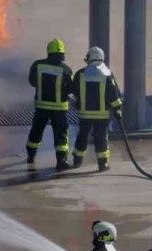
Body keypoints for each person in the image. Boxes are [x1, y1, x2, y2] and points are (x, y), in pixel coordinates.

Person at [26, 38, 74, 171]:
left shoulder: (37, 65)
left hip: (41, 107)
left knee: (36, 132)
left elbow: (32, 81)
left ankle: (31, 155)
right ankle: (61, 161)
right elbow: (71, 89)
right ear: (62, 53)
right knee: (61, 136)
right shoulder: (66, 69)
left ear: (49, 51)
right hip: (59, 109)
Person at [72, 47, 123, 171]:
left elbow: (73, 93)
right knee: (101, 138)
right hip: (102, 115)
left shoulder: (80, 74)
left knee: (82, 137)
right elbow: (114, 95)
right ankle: (102, 164)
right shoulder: (107, 74)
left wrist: (77, 105)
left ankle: (77, 162)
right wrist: (117, 109)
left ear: (89, 58)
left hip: (84, 115)